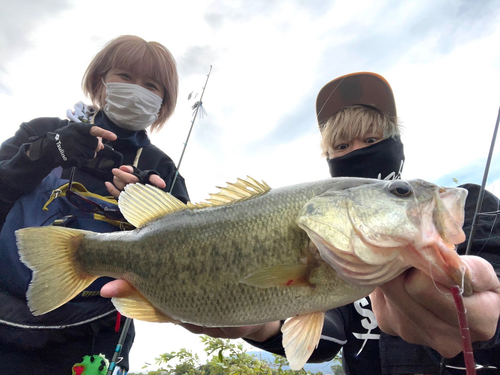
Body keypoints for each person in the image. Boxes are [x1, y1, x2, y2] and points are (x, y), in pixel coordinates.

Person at [100, 72, 500, 374]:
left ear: (397, 144)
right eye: (342, 145)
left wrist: (492, 326)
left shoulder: (476, 205)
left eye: (373, 139)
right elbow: (327, 337)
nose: (358, 151)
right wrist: (258, 328)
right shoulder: (335, 244)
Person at [0, 35, 189, 374]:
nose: (137, 89)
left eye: (152, 85)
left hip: (93, 342)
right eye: (125, 76)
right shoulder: (43, 131)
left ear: (163, 102)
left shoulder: (163, 169)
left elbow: (184, 259)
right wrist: (44, 153)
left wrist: (153, 211)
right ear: (100, 80)